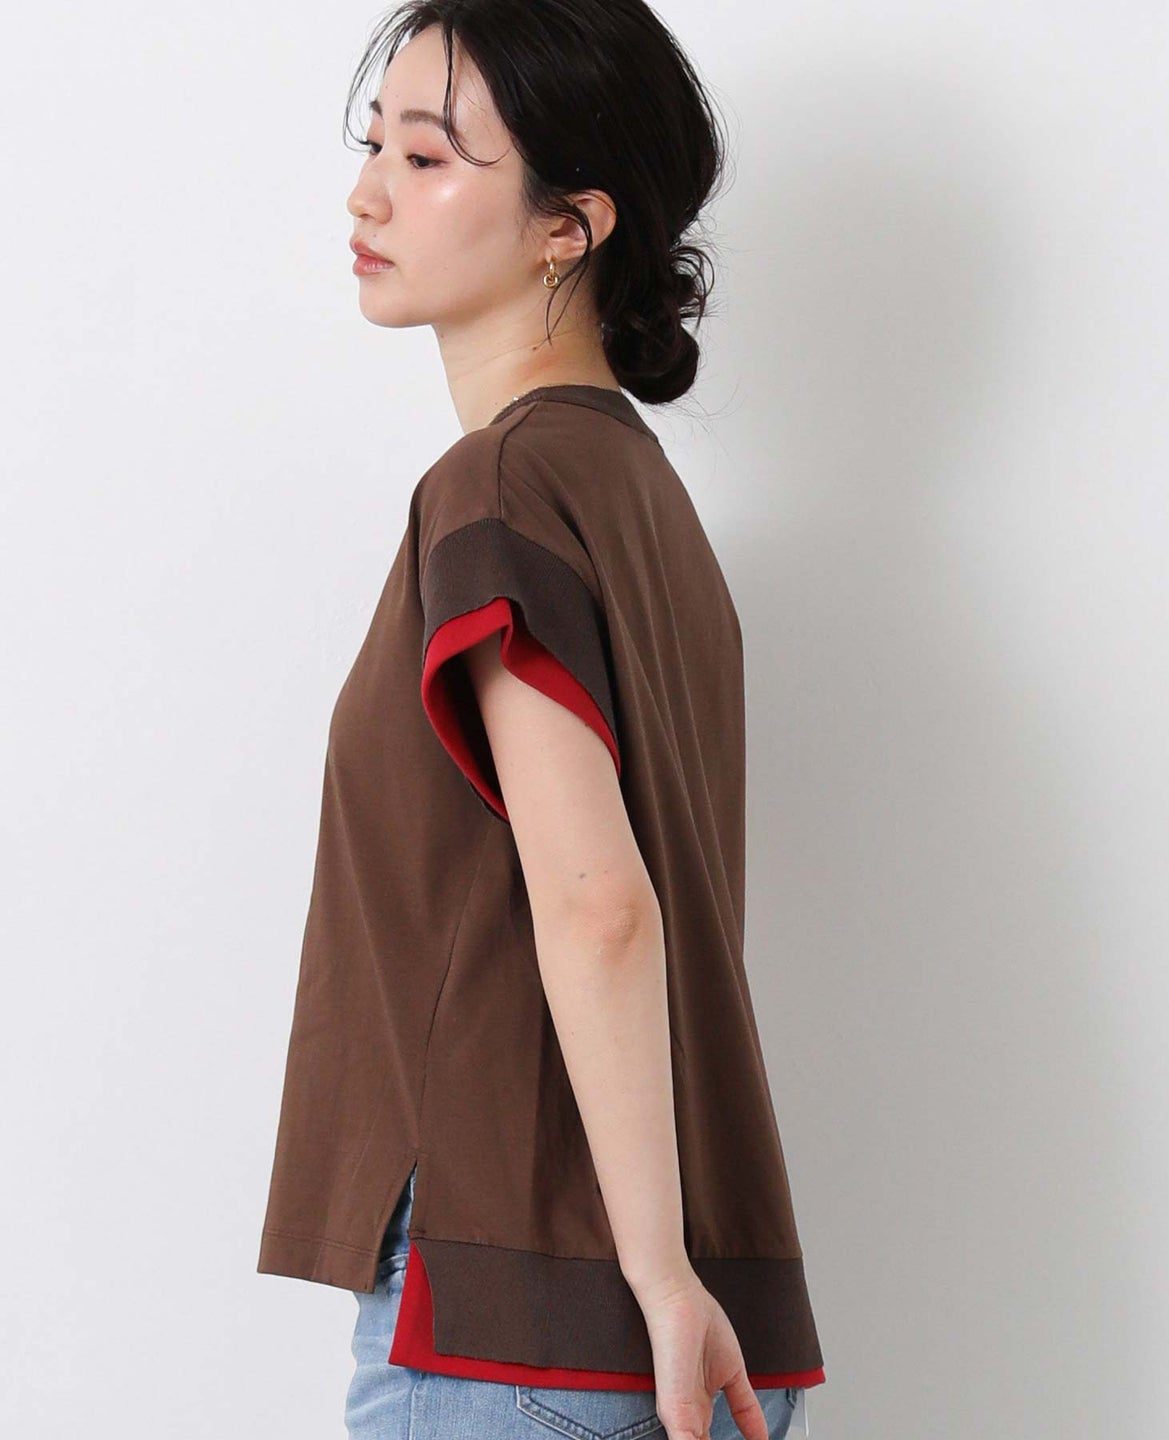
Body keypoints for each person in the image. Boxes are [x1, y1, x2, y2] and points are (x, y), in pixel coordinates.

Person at [256, 4, 825, 1438]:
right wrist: (674, 1279)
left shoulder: (500, 489)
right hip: (686, 1318)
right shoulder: (639, 497)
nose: (367, 195)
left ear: (570, 224)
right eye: (372, 145)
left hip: (526, 1320)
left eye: (428, 157)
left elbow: (600, 905)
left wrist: (655, 1277)